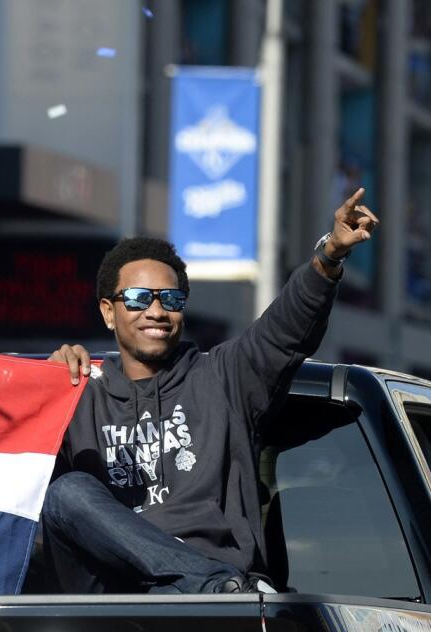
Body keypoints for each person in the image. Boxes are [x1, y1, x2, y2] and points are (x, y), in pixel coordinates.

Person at [40, 188, 379, 594]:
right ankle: (206, 581)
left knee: (205, 588)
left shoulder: (223, 377)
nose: (156, 311)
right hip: (113, 607)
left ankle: (207, 584)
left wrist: (328, 257)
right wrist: (43, 392)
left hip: (213, 606)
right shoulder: (76, 393)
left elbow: (284, 331)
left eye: (170, 298)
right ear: (108, 312)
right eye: (137, 298)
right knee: (67, 493)